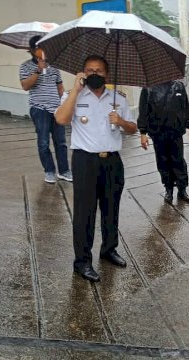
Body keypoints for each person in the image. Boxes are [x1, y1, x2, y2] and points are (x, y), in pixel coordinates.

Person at [55, 55, 137, 282]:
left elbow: (132, 128)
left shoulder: (118, 98)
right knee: (85, 213)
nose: (94, 74)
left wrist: (120, 121)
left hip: (112, 161)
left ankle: (109, 249)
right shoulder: (73, 96)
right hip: (84, 161)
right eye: (90, 70)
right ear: (83, 73)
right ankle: (82, 261)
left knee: (111, 208)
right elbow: (61, 119)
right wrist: (74, 90)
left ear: (107, 74)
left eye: (99, 71)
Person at [19, 35, 71, 184]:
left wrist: (65, 104)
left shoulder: (54, 66)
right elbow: (25, 86)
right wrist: (37, 70)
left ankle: (64, 170)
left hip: (56, 109)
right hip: (39, 108)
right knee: (43, 142)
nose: (42, 50)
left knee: (61, 141)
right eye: (38, 47)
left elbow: (60, 87)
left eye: (44, 46)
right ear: (31, 50)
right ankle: (49, 171)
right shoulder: (25, 66)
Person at [138, 79, 189, 204]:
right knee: (163, 161)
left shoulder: (179, 86)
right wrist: (143, 133)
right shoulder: (148, 88)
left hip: (176, 132)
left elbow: (185, 107)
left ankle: (182, 190)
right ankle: (168, 189)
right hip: (158, 132)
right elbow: (143, 111)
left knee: (178, 160)